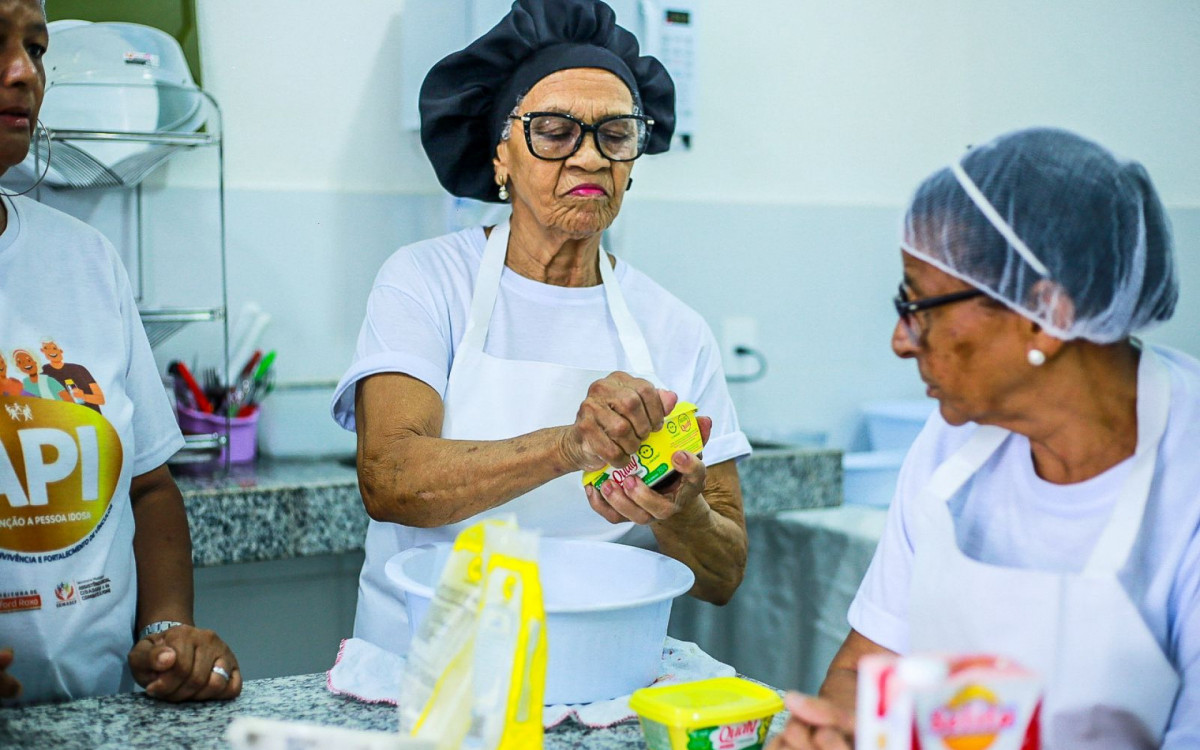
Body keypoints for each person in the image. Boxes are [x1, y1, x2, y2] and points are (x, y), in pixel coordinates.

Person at [332, 0, 751, 652]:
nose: (588, 158)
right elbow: (390, 480)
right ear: (501, 157)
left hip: (602, 668)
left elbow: (723, 575)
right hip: (430, 668)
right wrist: (569, 448)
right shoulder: (425, 281)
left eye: (615, 134)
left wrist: (682, 510)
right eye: (554, 132)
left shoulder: (674, 328)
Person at [769, 128, 1199, 749]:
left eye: (919, 305)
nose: (900, 339)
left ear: (1045, 316)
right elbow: (866, 668)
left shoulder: (1183, 480)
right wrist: (836, 732)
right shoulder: (953, 447)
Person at [0, 0, 240, 705]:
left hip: (100, 714)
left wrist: (169, 632)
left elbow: (148, 486)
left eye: (36, 48)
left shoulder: (83, 260)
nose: (24, 74)